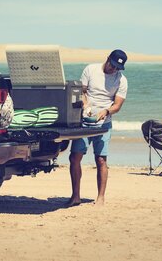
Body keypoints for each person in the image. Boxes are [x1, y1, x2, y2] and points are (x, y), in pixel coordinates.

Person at [67, 49, 128, 206]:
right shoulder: (91, 70)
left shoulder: (122, 81)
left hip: (104, 124)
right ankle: (75, 196)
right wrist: (85, 104)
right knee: (75, 157)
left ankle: (100, 198)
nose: (113, 70)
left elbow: (117, 105)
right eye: (112, 65)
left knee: (101, 160)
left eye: (117, 68)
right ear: (107, 59)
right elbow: (82, 92)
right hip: (84, 122)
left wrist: (106, 111)